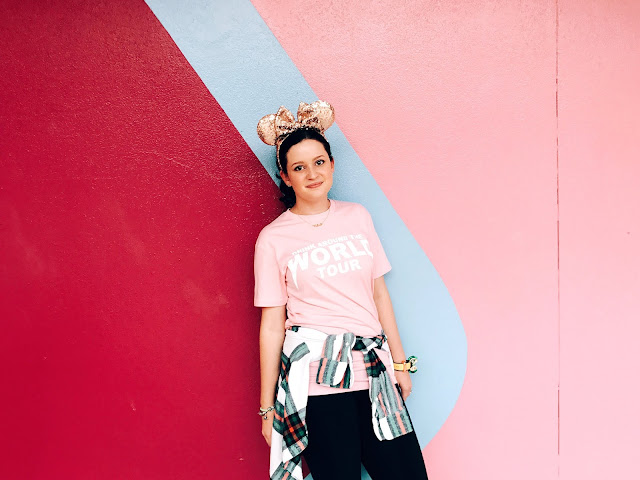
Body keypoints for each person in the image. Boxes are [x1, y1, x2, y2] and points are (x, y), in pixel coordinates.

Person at [254, 100, 428, 480]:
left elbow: (379, 295)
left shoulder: (357, 217)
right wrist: (268, 408)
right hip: (318, 387)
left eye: (319, 162)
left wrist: (399, 365)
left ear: (332, 164)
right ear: (285, 177)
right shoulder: (272, 239)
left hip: (375, 374)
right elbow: (272, 325)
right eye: (299, 167)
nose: (312, 174)